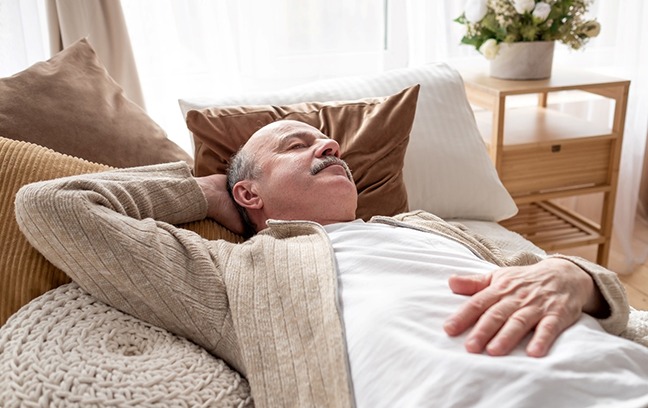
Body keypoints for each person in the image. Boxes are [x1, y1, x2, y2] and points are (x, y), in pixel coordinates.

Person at [15, 120, 648, 407]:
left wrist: (575, 277)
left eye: (328, 141)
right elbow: (51, 207)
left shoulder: (426, 226)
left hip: (617, 374)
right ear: (249, 194)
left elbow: (544, 269)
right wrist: (207, 190)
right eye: (297, 144)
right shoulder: (234, 274)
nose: (329, 145)